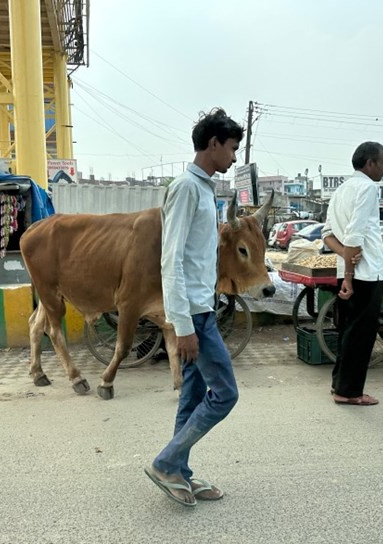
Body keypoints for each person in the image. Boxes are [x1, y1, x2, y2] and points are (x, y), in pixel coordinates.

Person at [144, 108, 242, 507]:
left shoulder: (204, 189)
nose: (234, 158)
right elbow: (171, 260)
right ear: (213, 144)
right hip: (193, 315)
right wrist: (182, 325)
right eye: (232, 148)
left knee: (192, 395)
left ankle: (178, 471)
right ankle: (166, 462)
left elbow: (197, 256)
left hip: (201, 308)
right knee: (225, 394)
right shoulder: (186, 187)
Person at [320, 141, 383, 406]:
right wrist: (349, 272)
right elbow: (354, 234)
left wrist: (345, 259)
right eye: (382, 162)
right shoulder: (367, 187)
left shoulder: (341, 190)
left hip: (350, 269)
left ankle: (341, 384)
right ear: (370, 163)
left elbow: (328, 235)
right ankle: (349, 392)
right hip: (365, 273)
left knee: (349, 331)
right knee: (360, 334)